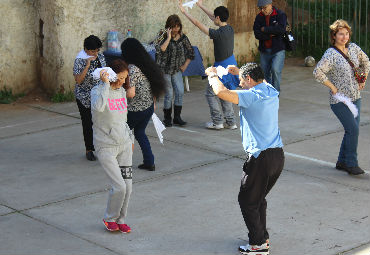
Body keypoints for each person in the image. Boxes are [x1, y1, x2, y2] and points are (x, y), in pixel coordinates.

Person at [205, 63, 284, 255]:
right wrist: (239, 70)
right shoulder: (271, 90)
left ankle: (258, 245)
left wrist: (212, 75)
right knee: (257, 199)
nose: (240, 83)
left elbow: (221, 92)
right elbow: (259, 79)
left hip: (261, 158)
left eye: (242, 80)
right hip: (277, 156)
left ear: (249, 79)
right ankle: (262, 237)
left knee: (247, 201)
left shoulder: (251, 96)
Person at [313, 19, 369, 175]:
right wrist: (332, 87)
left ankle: (342, 161)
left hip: (355, 97)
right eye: (340, 34)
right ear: (334, 36)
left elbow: (366, 62)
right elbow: (317, 72)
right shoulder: (330, 54)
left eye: (346, 34)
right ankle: (351, 163)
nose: (344, 37)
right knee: (353, 130)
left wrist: (363, 79)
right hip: (339, 100)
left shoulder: (354, 48)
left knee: (351, 130)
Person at [91, 59, 135, 233]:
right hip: (106, 147)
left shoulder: (122, 93)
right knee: (120, 186)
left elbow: (123, 119)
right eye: (121, 78)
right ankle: (109, 218)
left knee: (128, 187)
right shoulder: (97, 91)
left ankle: (120, 219)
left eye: (125, 78)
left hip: (124, 145)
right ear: (111, 75)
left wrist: (130, 139)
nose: (124, 82)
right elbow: (97, 108)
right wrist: (104, 85)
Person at [179, 0, 238, 130]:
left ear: (218, 18)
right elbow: (213, 16)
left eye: (215, 17)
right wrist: (200, 5)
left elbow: (197, 23)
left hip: (221, 69)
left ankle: (217, 122)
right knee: (224, 92)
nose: (213, 18)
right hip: (231, 66)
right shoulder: (230, 29)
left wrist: (184, 12)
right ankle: (231, 122)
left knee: (210, 93)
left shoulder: (218, 34)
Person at [121, 38, 166, 171]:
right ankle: (149, 161)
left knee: (123, 134)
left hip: (135, 109)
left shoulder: (132, 69)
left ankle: (123, 162)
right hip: (148, 107)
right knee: (140, 133)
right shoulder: (146, 64)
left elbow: (131, 94)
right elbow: (153, 85)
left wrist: (117, 92)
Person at [156, 14, 195, 127]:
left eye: (178, 26)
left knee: (180, 92)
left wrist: (185, 65)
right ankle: (167, 118)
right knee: (169, 94)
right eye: (174, 27)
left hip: (177, 69)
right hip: (164, 70)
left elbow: (191, 52)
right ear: (169, 27)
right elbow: (161, 50)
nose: (176, 29)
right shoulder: (162, 36)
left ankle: (177, 117)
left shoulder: (183, 37)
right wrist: (168, 38)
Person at [73, 35, 106, 161]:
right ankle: (89, 149)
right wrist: (87, 65)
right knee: (87, 123)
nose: (95, 53)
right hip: (84, 96)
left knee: (101, 122)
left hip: (98, 94)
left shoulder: (100, 56)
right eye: (92, 51)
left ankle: (102, 147)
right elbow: (79, 81)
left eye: (97, 50)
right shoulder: (80, 60)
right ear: (86, 49)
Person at [253, 0, 287, 92]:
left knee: (275, 70)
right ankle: (268, 93)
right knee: (265, 73)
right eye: (260, 8)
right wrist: (270, 34)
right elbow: (257, 34)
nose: (263, 10)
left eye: (265, 7)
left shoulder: (280, 14)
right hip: (264, 50)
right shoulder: (259, 17)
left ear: (271, 5)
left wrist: (264, 29)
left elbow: (281, 30)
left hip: (278, 49)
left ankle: (275, 93)